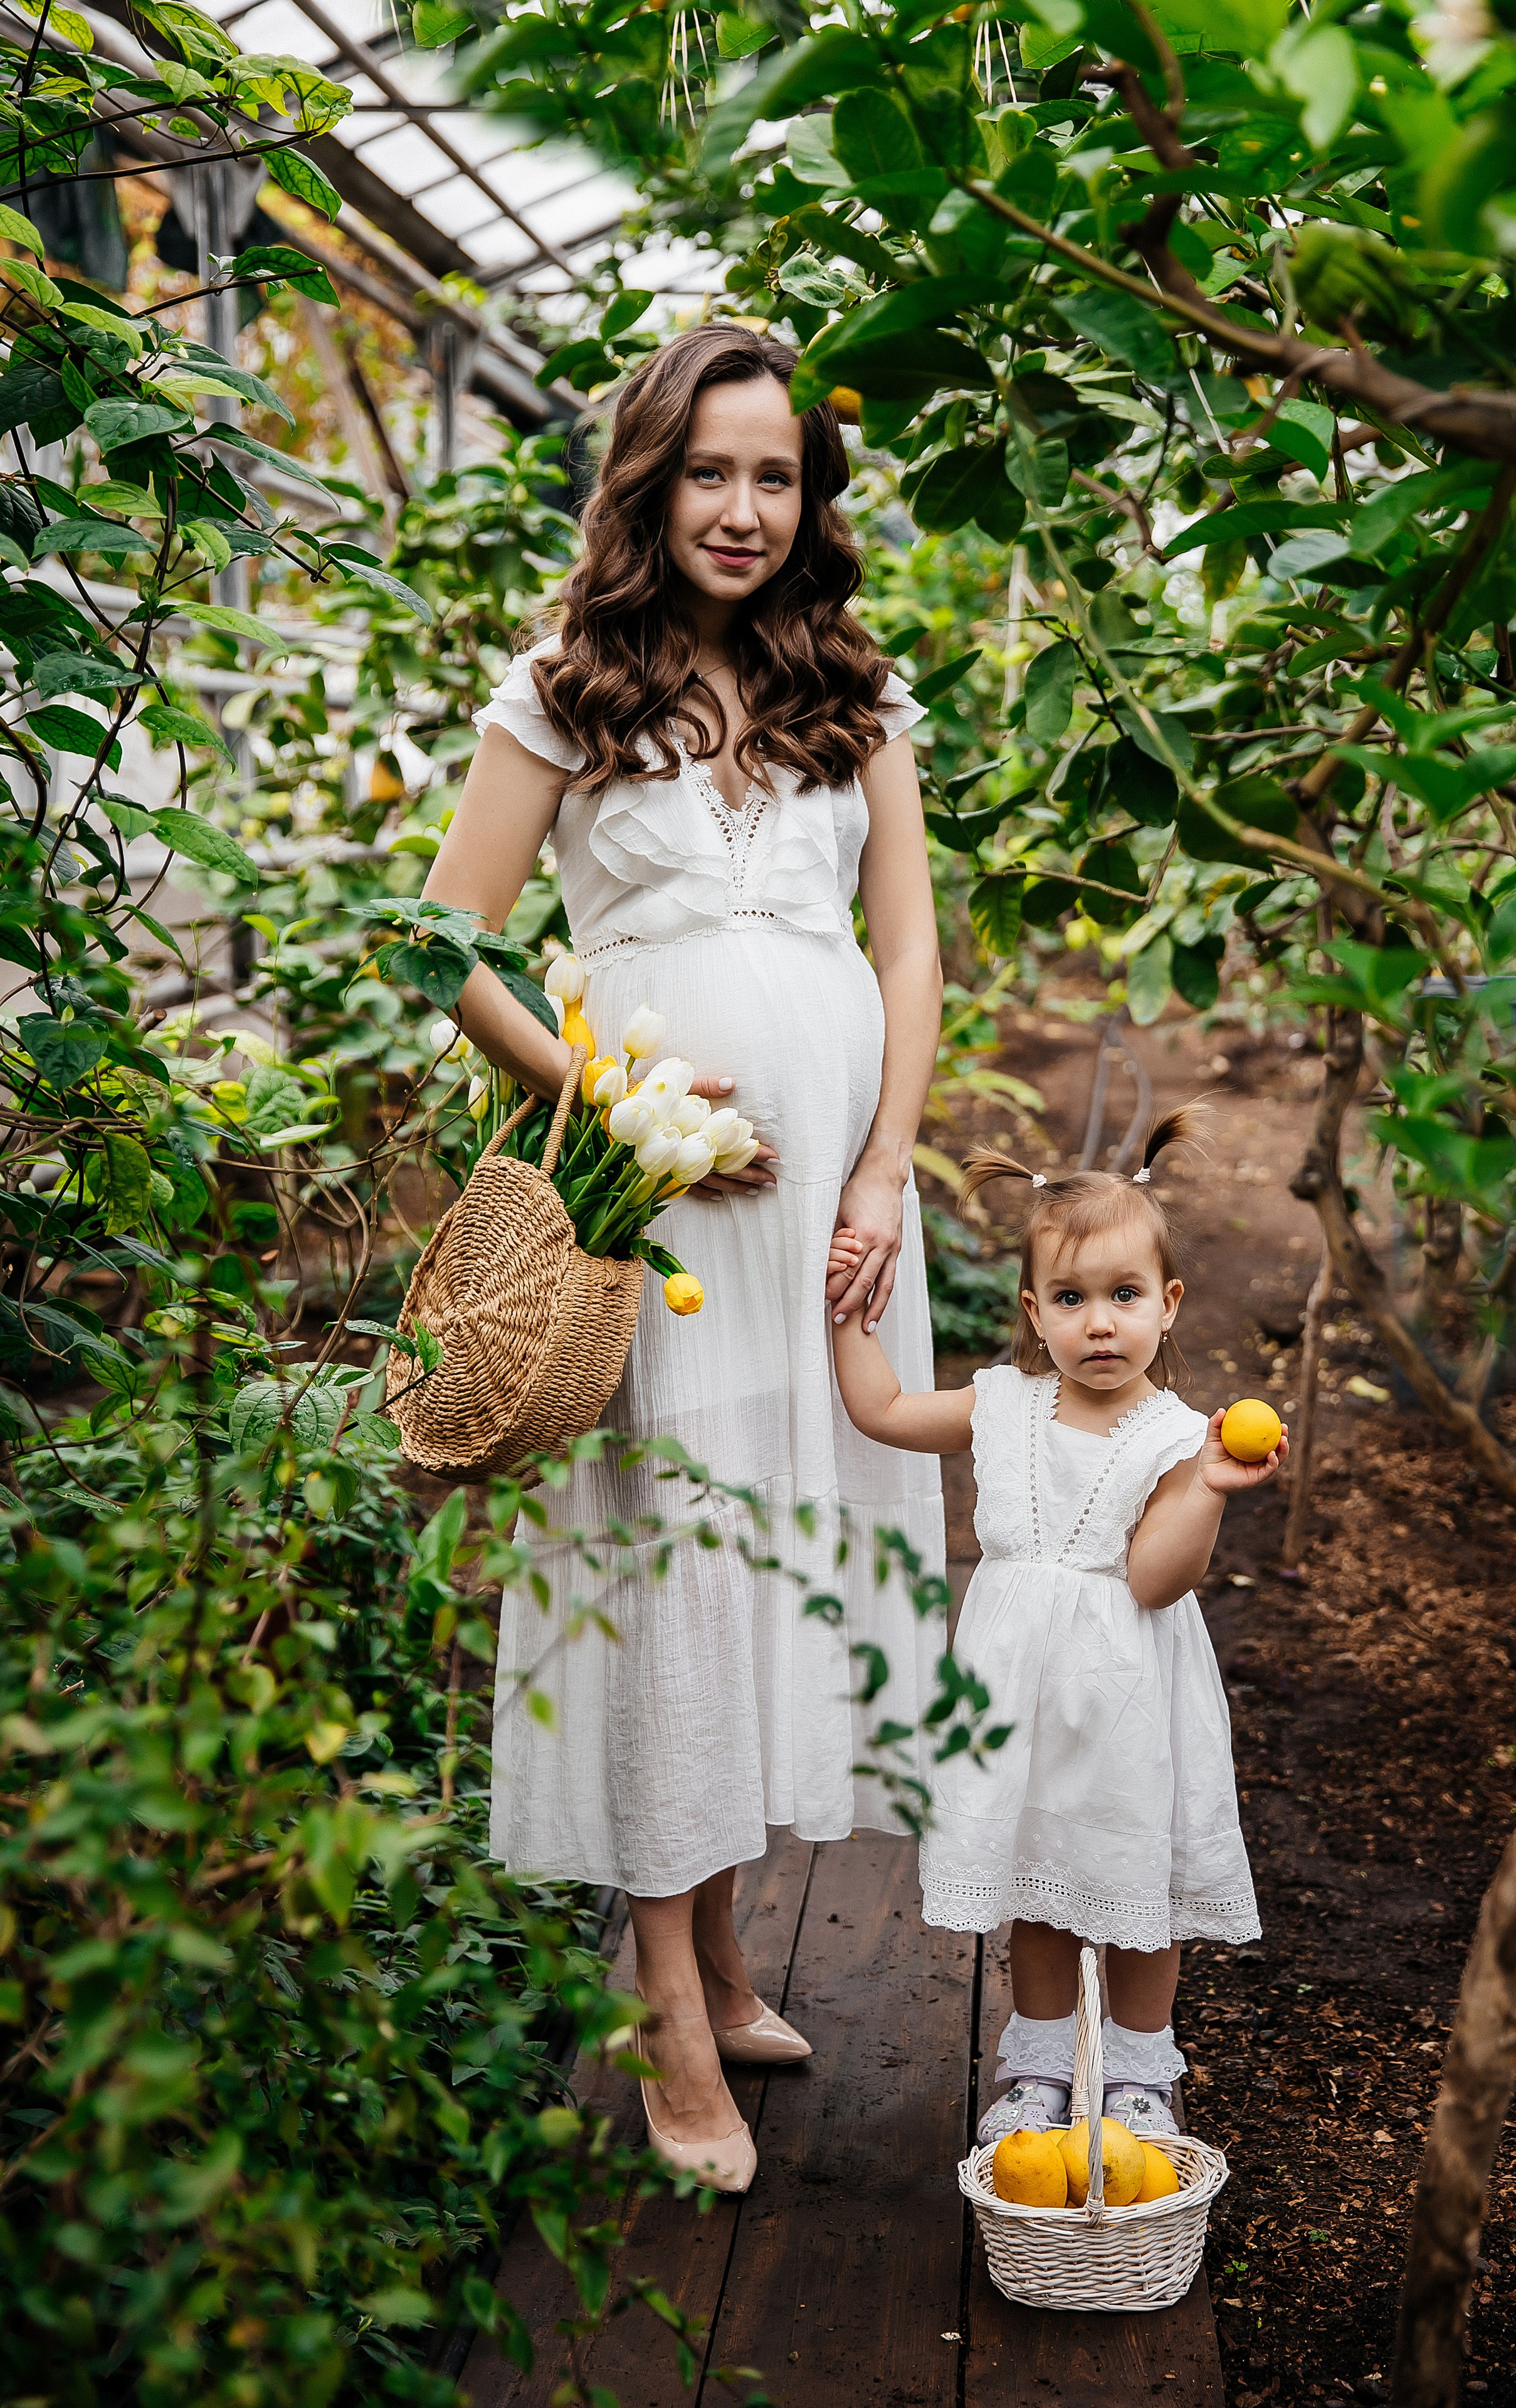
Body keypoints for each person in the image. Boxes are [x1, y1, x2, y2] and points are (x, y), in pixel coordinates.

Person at [420, 324, 945, 2194]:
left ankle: (727, 1951)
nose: (743, 510)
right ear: (649, 481)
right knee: (660, 1570)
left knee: (767, 1567)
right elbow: (442, 945)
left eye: (775, 476)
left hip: (825, 1223)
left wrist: (885, 1169)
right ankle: (660, 2002)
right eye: (709, 473)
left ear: (812, 496)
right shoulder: (567, 686)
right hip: (661, 1219)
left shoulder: (856, 693)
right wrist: (616, 1101)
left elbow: (906, 958)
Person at [828, 1111, 1275, 2145]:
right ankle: (1035, 2064)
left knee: (1135, 1884)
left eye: (1124, 1297)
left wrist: (1208, 1485)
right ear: (1035, 1312)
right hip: (1018, 1696)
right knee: (1038, 1883)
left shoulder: (1175, 1436)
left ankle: (1136, 2071)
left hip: (1124, 1701)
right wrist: (845, 1311)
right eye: (1072, 1301)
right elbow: (883, 1410)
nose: (1100, 1324)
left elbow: (1159, 1581)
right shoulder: (1005, 1406)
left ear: (1167, 1307)